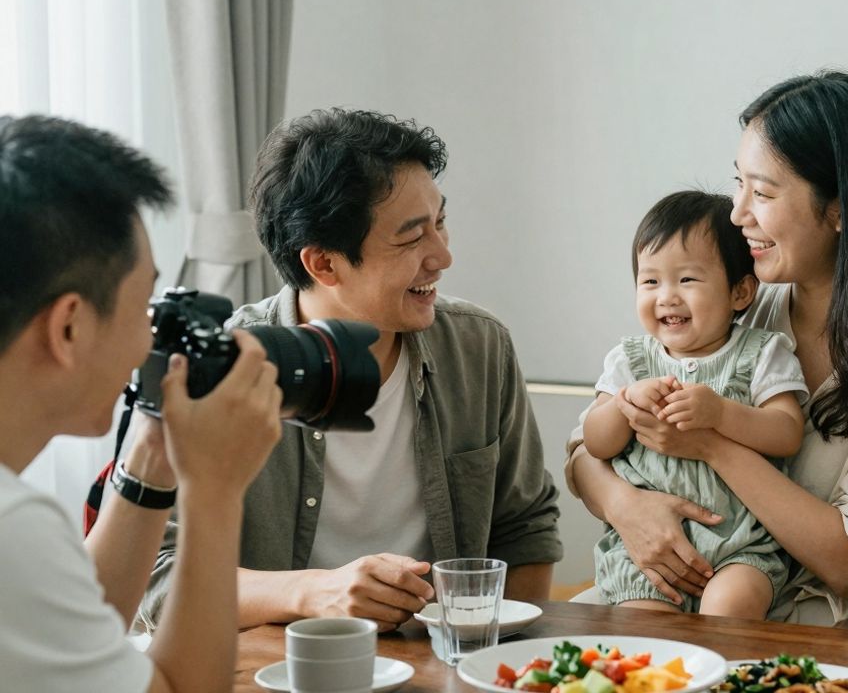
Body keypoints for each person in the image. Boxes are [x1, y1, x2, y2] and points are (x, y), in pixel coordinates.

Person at [567, 71, 848, 632]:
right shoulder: (739, 305)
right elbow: (584, 455)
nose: (738, 214)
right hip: (665, 593)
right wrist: (628, 508)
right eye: (738, 184)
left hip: (814, 630)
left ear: (839, 209)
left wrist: (713, 444)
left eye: (762, 193)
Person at [139, 108, 563, 632]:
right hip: (280, 670)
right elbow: (153, 579)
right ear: (324, 263)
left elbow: (525, 529)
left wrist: (489, 660)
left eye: (442, 222)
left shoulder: (478, 346)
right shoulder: (221, 370)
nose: (443, 256)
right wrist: (314, 591)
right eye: (411, 238)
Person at [0, 115, 283, 691]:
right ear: (70, 327)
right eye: (142, 305)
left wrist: (156, 456)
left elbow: (82, 637)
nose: (148, 341)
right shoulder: (16, 530)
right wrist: (214, 490)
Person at [585, 190, 808, 618]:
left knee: (731, 609)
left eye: (687, 280)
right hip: (645, 552)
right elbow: (596, 443)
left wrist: (723, 414)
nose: (666, 296)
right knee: (640, 627)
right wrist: (624, 404)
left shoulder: (761, 352)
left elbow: (787, 432)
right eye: (650, 281)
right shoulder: (629, 361)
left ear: (741, 292)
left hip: (738, 544)